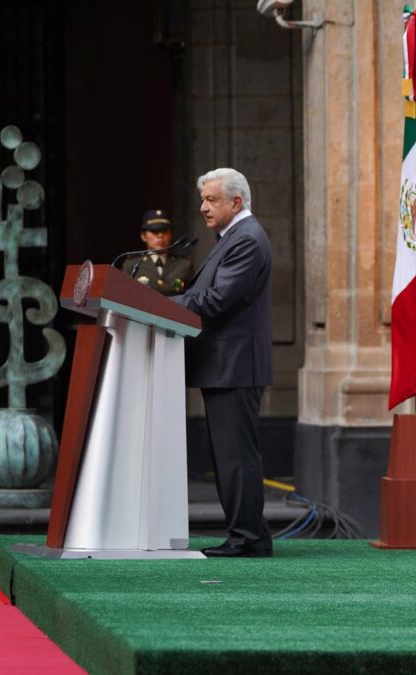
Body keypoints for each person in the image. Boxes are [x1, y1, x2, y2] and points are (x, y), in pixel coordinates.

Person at [172, 168, 274, 558]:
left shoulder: (246, 239)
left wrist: (159, 305)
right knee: (228, 457)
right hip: (224, 365)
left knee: (236, 457)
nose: (203, 207)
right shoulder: (232, 237)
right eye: (203, 200)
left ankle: (248, 538)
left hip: (235, 366)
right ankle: (244, 534)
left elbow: (215, 301)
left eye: (211, 200)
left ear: (236, 202)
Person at [120, 209, 194, 296]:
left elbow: (192, 296)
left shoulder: (184, 264)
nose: (160, 235)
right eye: (155, 231)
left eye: (165, 231)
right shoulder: (132, 264)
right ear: (143, 236)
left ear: (170, 234)